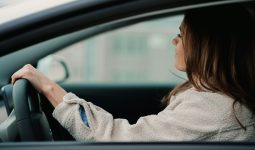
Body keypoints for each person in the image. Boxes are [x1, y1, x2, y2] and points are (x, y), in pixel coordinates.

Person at [11, 4, 255, 141]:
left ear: (205, 46)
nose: (174, 41)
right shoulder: (217, 99)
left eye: (181, 35)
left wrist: (49, 88)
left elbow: (114, 140)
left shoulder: (217, 107)